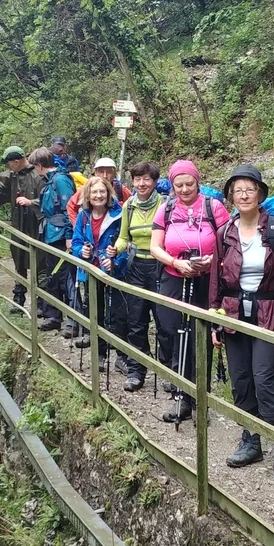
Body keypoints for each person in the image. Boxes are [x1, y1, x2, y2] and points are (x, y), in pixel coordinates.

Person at [209, 164, 274, 485]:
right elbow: (216, 279)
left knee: (265, 378)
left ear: (260, 193)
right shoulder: (224, 232)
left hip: (267, 312)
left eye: (250, 189)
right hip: (232, 311)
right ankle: (251, 439)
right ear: (231, 196)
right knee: (241, 379)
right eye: (238, 190)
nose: (244, 195)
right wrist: (214, 318)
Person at [149, 160, 231, 423]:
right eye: (179, 185)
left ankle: (200, 401)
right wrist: (175, 262)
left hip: (207, 280)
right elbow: (155, 246)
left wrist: (212, 260)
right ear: (172, 185)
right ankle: (180, 397)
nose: (184, 189)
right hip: (174, 277)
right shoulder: (166, 209)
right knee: (174, 334)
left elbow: (229, 241)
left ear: (198, 182)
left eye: (189, 184)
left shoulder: (213, 207)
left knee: (202, 338)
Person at [65, 158, 131, 347]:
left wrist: (116, 260)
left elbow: (126, 241)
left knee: (116, 307)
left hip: (111, 267)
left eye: (102, 192)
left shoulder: (119, 212)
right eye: (94, 192)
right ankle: (94, 337)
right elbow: (77, 241)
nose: (98, 195)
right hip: (91, 267)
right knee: (92, 302)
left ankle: (114, 342)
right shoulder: (83, 215)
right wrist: (80, 250)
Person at [0, 146, 45, 314]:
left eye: (9, 164)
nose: (7, 167)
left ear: (17, 161)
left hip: (37, 223)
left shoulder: (37, 174)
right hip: (18, 222)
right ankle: (18, 298)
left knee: (40, 261)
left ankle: (42, 302)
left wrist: (32, 203)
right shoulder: (11, 176)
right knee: (19, 259)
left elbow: (46, 198)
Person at [113, 161, 163, 392]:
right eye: (137, 179)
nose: (141, 183)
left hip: (161, 267)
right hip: (136, 267)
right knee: (136, 320)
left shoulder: (164, 205)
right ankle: (136, 370)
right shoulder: (129, 206)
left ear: (154, 182)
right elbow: (124, 237)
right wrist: (115, 249)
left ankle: (168, 372)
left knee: (165, 321)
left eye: (146, 179)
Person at [30, 147, 75, 332]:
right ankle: (53, 316)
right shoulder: (50, 182)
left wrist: (69, 236)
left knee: (67, 278)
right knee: (53, 277)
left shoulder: (61, 180)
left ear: (39, 166)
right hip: (50, 235)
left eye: (35, 166)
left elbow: (69, 209)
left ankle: (74, 321)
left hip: (61, 237)